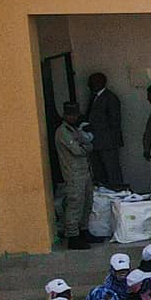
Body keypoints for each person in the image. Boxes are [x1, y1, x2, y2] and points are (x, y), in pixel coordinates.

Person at [53, 101, 96, 249]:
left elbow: (89, 144)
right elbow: (77, 150)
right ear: (65, 115)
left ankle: (84, 230)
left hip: (84, 172)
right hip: (73, 174)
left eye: (75, 114)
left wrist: (85, 145)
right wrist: (85, 146)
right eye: (70, 114)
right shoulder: (63, 131)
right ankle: (73, 235)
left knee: (87, 202)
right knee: (74, 205)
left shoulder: (74, 130)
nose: (73, 117)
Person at [84, 71, 125, 187]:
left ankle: (117, 194)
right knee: (99, 172)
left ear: (100, 83)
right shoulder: (94, 97)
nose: (89, 85)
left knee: (112, 171)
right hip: (95, 142)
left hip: (108, 142)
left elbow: (115, 121)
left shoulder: (110, 98)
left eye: (91, 82)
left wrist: (93, 127)